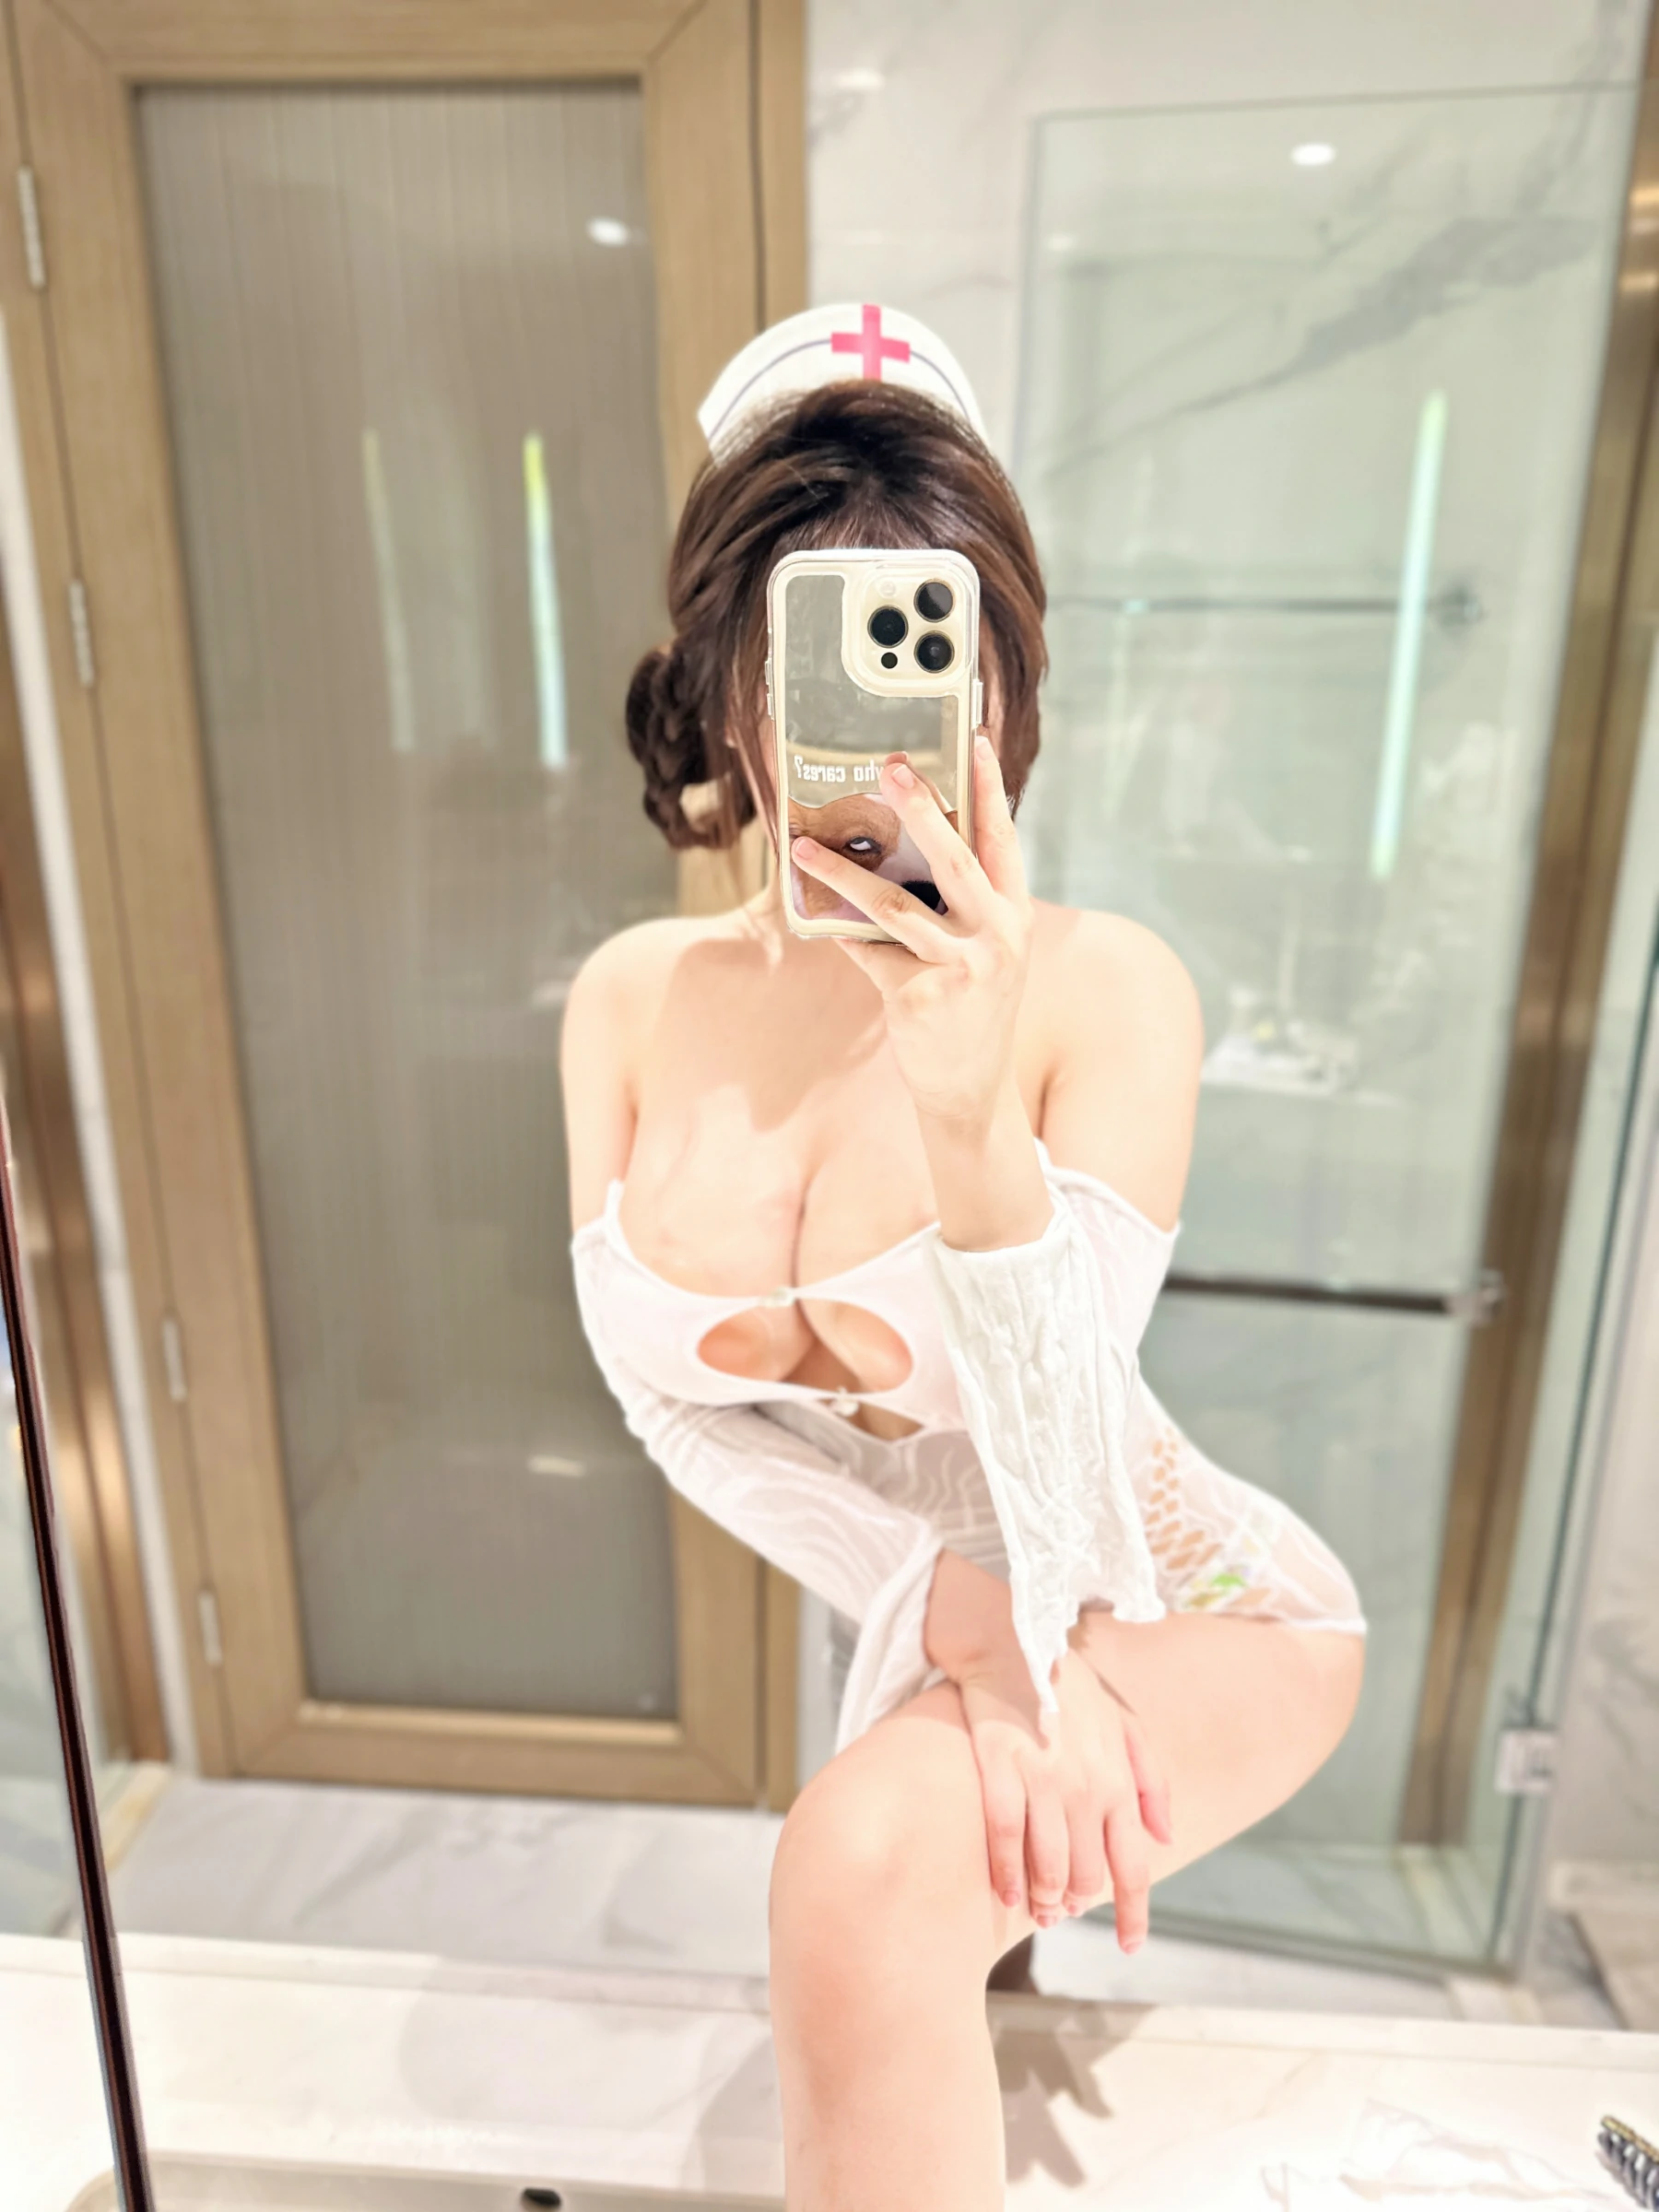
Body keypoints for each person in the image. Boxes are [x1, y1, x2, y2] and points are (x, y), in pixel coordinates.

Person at [561, 303, 1365, 2212]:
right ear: (729, 676)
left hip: (1180, 1601)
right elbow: (669, 1407)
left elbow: (1068, 1452)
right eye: (816, 652)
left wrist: (961, 1099)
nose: (874, 724)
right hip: (962, 1615)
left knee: (857, 1879)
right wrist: (945, 1605)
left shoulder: (1109, 991)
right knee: (896, 1931)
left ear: (996, 682)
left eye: (927, 648)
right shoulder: (631, 998)